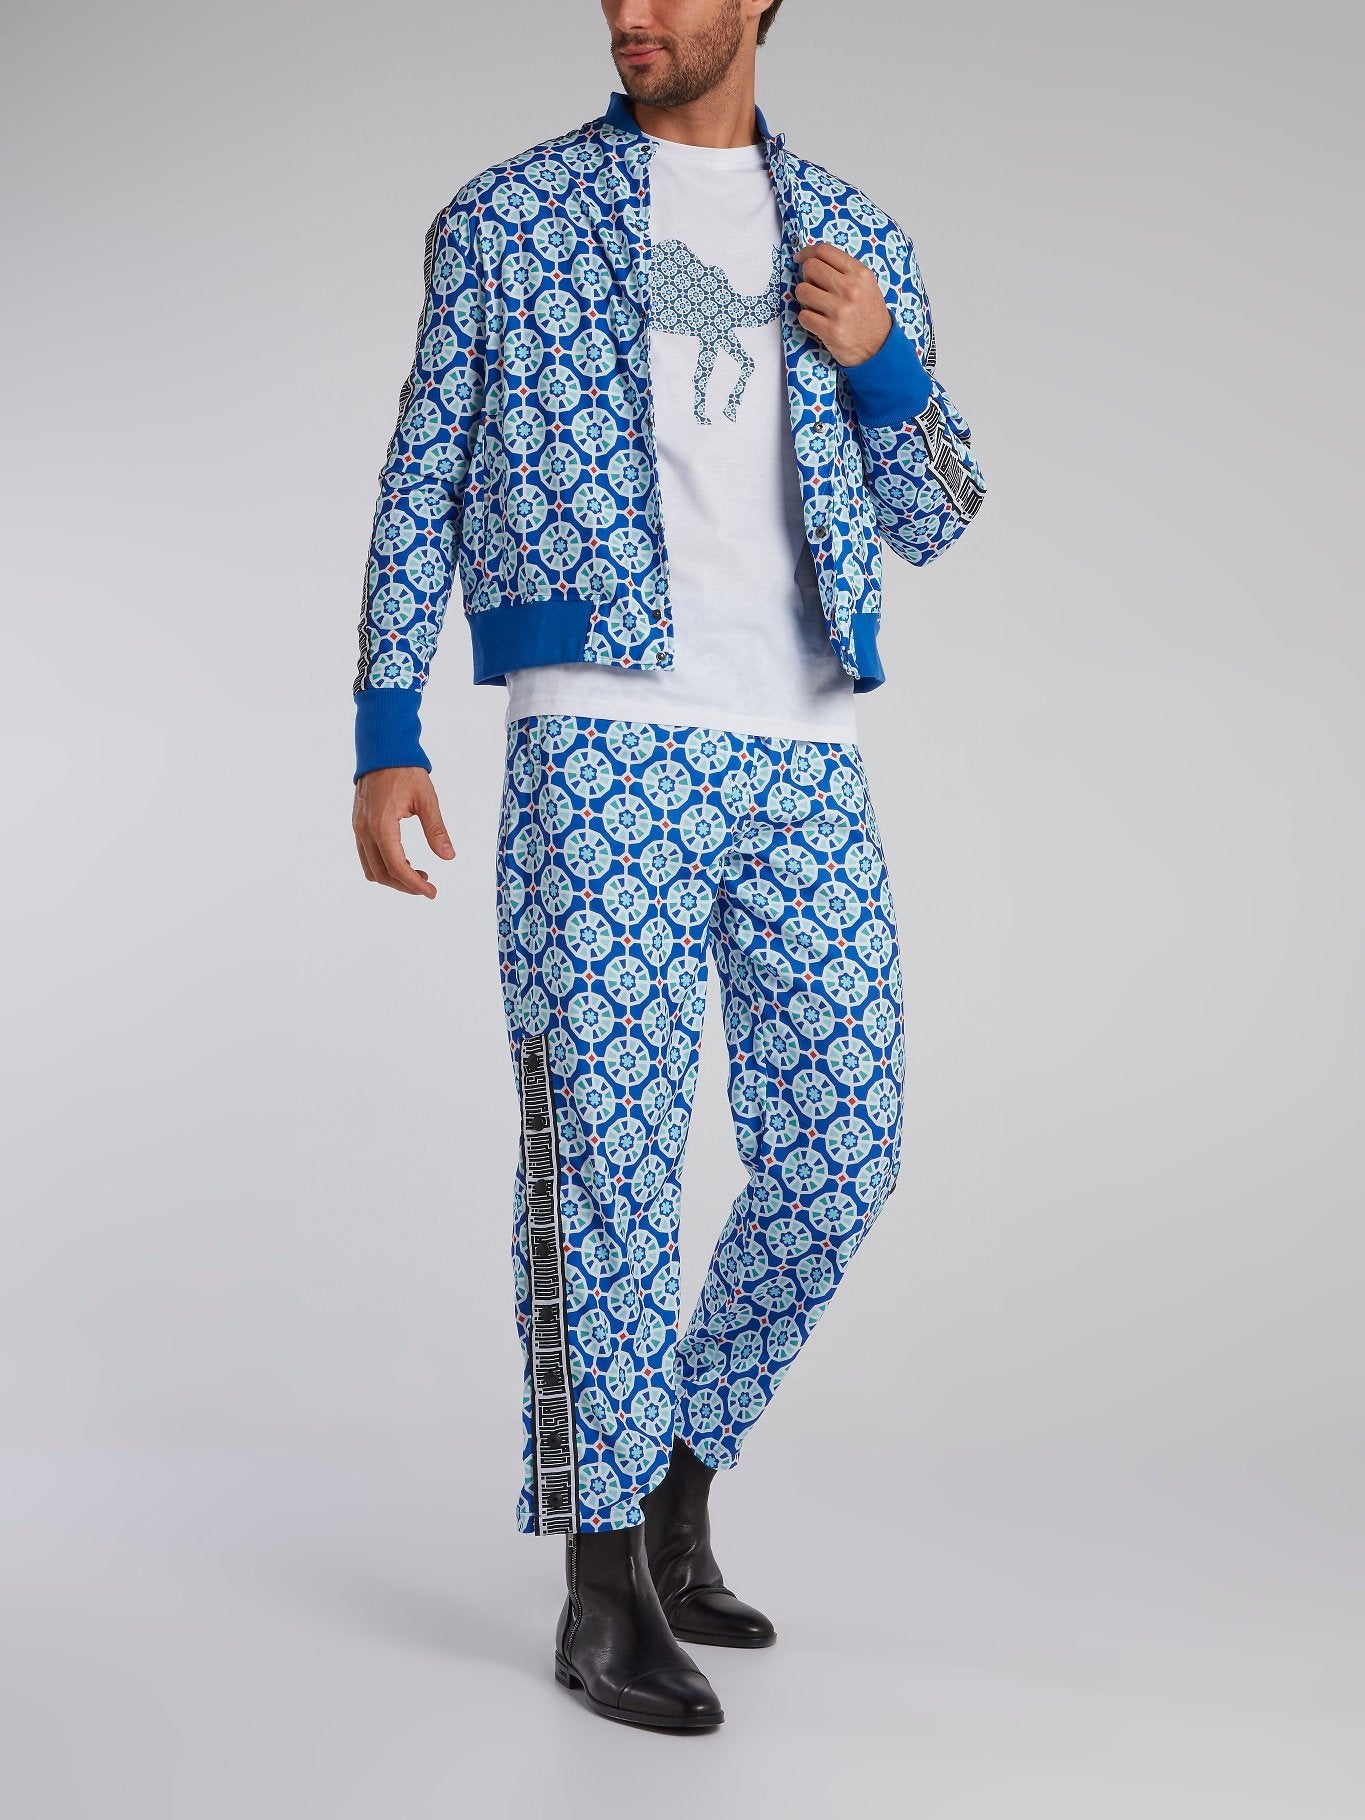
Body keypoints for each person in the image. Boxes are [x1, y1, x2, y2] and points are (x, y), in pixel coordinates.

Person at [350, 0, 986, 1731]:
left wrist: (884, 364)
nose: (632, 11)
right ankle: (598, 1581)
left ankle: (678, 1481)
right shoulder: (509, 214)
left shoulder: (854, 236)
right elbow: (422, 465)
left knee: (840, 1154)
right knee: (605, 1168)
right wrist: (386, 723)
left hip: (802, 749)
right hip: (599, 737)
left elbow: (937, 513)